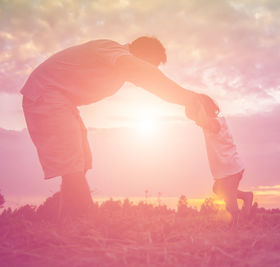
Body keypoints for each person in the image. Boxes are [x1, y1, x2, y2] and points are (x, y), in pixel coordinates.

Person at [21, 36, 203, 220]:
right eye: (150, 65)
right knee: (72, 167)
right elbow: (146, 76)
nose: (147, 72)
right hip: (45, 93)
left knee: (81, 163)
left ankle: (67, 222)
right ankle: (85, 221)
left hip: (60, 99)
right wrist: (191, 98)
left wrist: (188, 100)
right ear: (141, 55)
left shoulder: (119, 69)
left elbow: (149, 80)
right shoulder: (111, 50)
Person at [185, 94, 253, 225]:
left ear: (204, 111)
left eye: (195, 117)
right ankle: (246, 196)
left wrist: (197, 103)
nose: (196, 122)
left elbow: (209, 123)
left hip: (231, 167)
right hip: (225, 170)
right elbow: (204, 121)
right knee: (217, 190)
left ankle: (235, 223)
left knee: (229, 197)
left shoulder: (216, 123)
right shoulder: (208, 124)